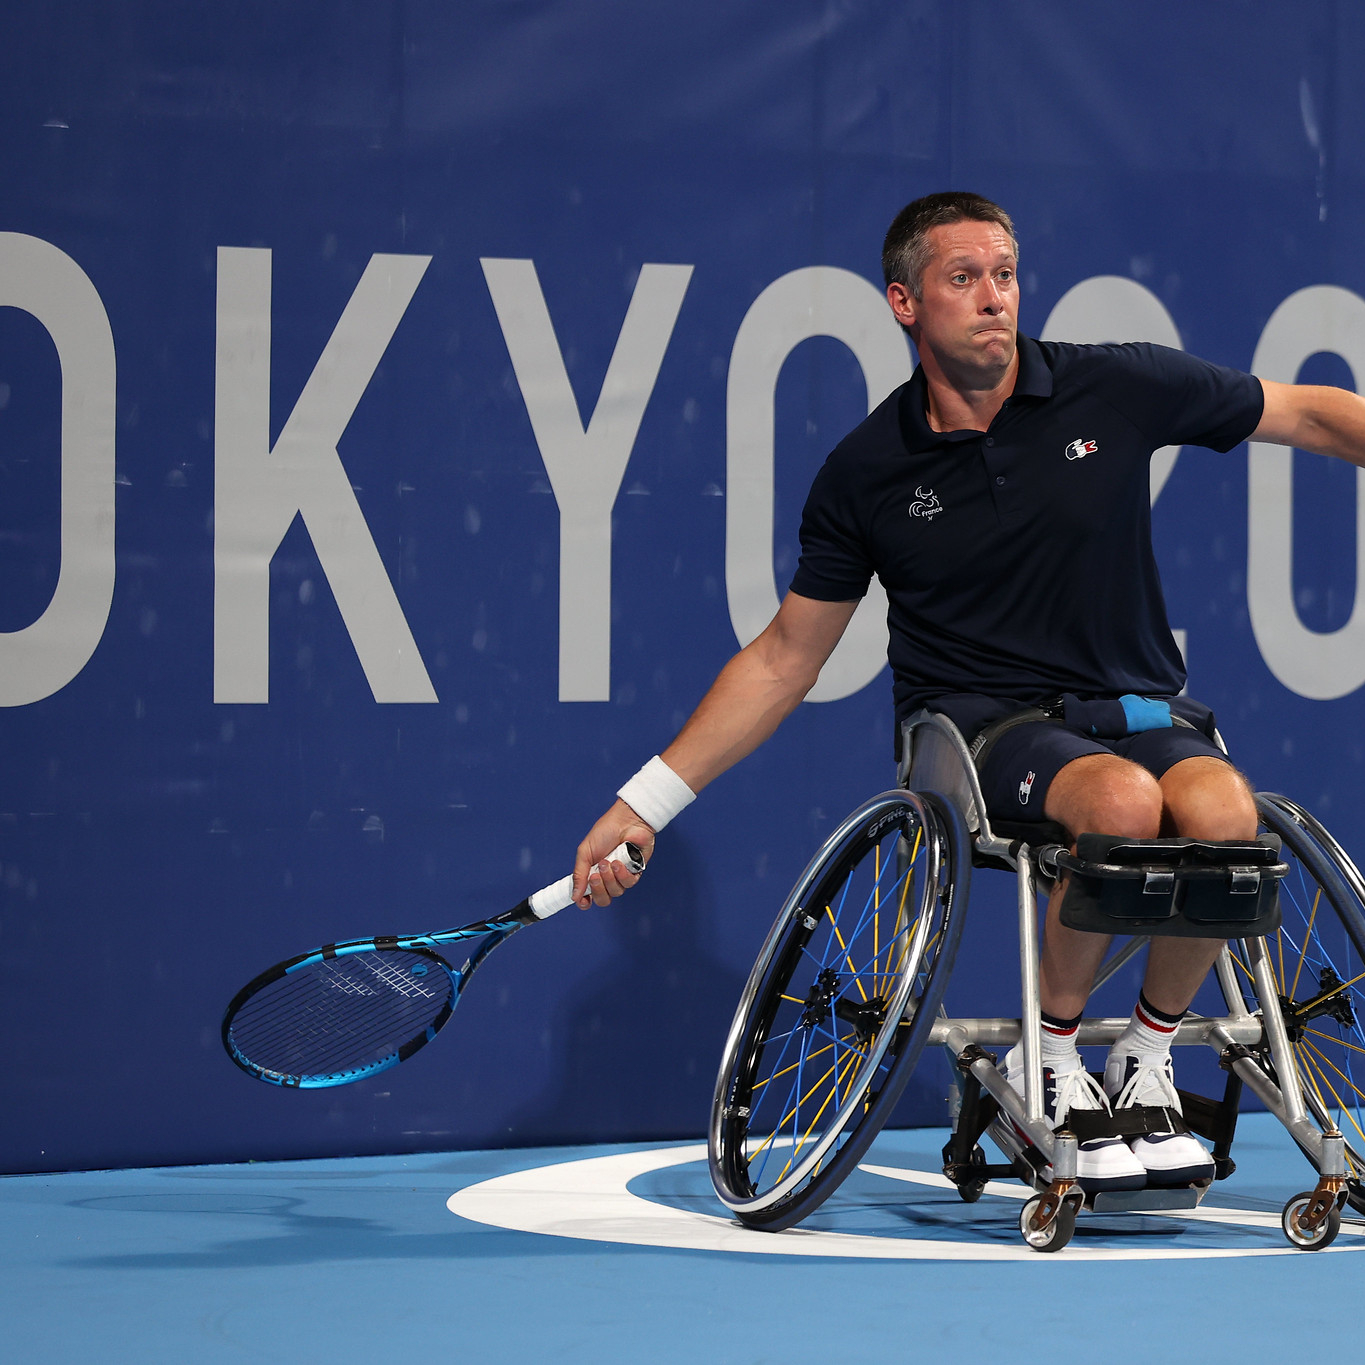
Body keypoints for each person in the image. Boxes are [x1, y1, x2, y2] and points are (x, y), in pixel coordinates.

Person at [570, 191, 1365, 1191]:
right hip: (985, 735)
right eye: (964, 278)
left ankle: (1148, 1054)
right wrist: (645, 802)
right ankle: (1051, 1055)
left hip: (1138, 708)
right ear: (904, 303)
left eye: (1005, 274)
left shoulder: (1112, 388)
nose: (995, 298)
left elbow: (1301, 411)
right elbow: (783, 657)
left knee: (1223, 812)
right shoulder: (865, 472)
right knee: (1121, 804)